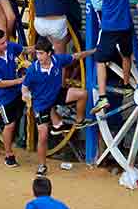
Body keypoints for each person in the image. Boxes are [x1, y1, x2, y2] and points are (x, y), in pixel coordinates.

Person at [21, 38, 95, 176]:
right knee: (42, 137)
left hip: (56, 95)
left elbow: (76, 56)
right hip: (41, 104)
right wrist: (25, 95)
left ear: (49, 53)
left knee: (83, 94)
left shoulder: (57, 60)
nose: (38, 57)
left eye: (41, 53)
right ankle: (42, 166)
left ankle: (79, 120)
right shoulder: (33, 70)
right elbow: (24, 87)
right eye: (37, 53)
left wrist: (92, 51)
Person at [92, 0, 138, 114]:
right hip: (125, 25)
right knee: (126, 55)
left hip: (109, 27)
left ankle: (102, 97)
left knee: (100, 60)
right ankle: (127, 83)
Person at [0, 28, 28, 167]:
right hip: (4, 97)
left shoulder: (9, 47)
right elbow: (0, 84)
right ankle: (8, 154)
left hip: (17, 92)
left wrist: (39, 49)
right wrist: (20, 81)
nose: (6, 44)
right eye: (2, 43)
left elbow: (24, 50)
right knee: (10, 125)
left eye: (5, 41)